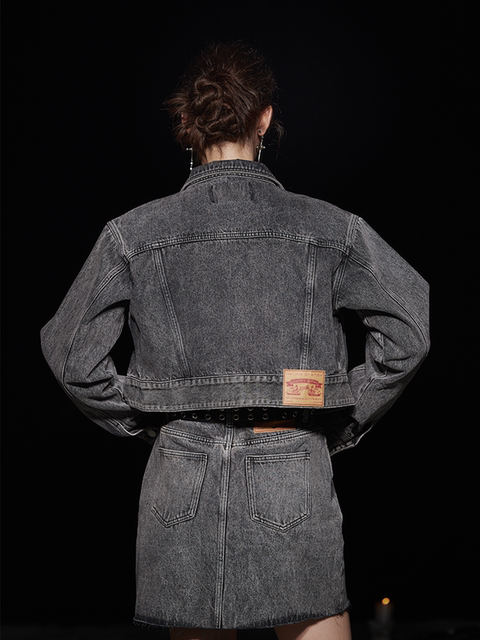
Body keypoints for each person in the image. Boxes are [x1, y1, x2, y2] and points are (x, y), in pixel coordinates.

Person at [40, 42, 429, 640]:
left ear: (186, 122)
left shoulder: (133, 235)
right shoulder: (329, 228)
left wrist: (153, 416)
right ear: (264, 118)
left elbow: (71, 354)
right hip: (291, 459)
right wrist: (339, 415)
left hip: (180, 469)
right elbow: (410, 330)